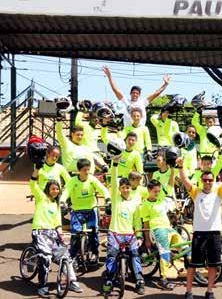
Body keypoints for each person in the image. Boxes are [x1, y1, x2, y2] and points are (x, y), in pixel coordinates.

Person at [179, 156, 222, 299]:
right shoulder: (196, 192)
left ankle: (210, 291)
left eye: (210, 180)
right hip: (199, 233)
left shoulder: (219, 192)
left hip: (214, 233)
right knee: (193, 265)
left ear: (213, 181)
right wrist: (180, 167)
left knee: (213, 265)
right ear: (201, 181)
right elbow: (185, 181)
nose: (207, 182)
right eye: (205, 180)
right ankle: (188, 291)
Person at [29, 167, 82, 298]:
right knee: (45, 258)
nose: (55, 191)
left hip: (52, 233)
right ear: (48, 189)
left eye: (57, 189)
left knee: (66, 256)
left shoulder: (57, 204)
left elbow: (58, 223)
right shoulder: (41, 197)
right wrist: (36, 170)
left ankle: (72, 281)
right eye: (53, 188)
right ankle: (42, 286)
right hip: (40, 232)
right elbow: (32, 183)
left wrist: (61, 235)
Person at [102, 159, 145, 295]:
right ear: (119, 189)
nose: (126, 190)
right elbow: (114, 180)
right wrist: (115, 165)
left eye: (128, 187)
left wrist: (139, 236)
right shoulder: (115, 199)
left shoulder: (135, 202)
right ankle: (109, 280)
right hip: (115, 233)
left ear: (130, 188)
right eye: (123, 188)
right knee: (111, 256)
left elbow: (137, 221)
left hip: (130, 235)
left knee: (135, 256)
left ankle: (139, 281)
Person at [59, 159, 110, 263]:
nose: (86, 172)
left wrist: (108, 198)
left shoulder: (92, 179)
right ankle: (72, 257)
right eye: (84, 170)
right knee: (75, 234)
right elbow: (66, 192)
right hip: (77, 210)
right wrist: (62, 201)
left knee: (93, 233)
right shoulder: (72, 181)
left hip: (91, 210)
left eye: (88, 169)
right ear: (79, 170)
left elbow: (102, 189)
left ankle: (95, 253)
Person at [102, 66, 170, 126]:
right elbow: (116, 90)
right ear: (130, 93)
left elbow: (156, 93)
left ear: (139, 95)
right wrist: (109, 76)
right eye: (133, 93)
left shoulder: (143, 102)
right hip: (128, 132)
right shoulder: (125, 101)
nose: (135, 94)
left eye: (137, 93)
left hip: (140, 131)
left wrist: (165, 84)